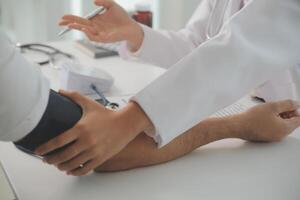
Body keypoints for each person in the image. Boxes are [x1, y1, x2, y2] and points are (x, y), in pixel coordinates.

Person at [35, 0, 300, 175]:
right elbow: (200, 46)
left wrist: (129, 120)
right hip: (259, 122)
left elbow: (241, 48)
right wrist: (135, 34)